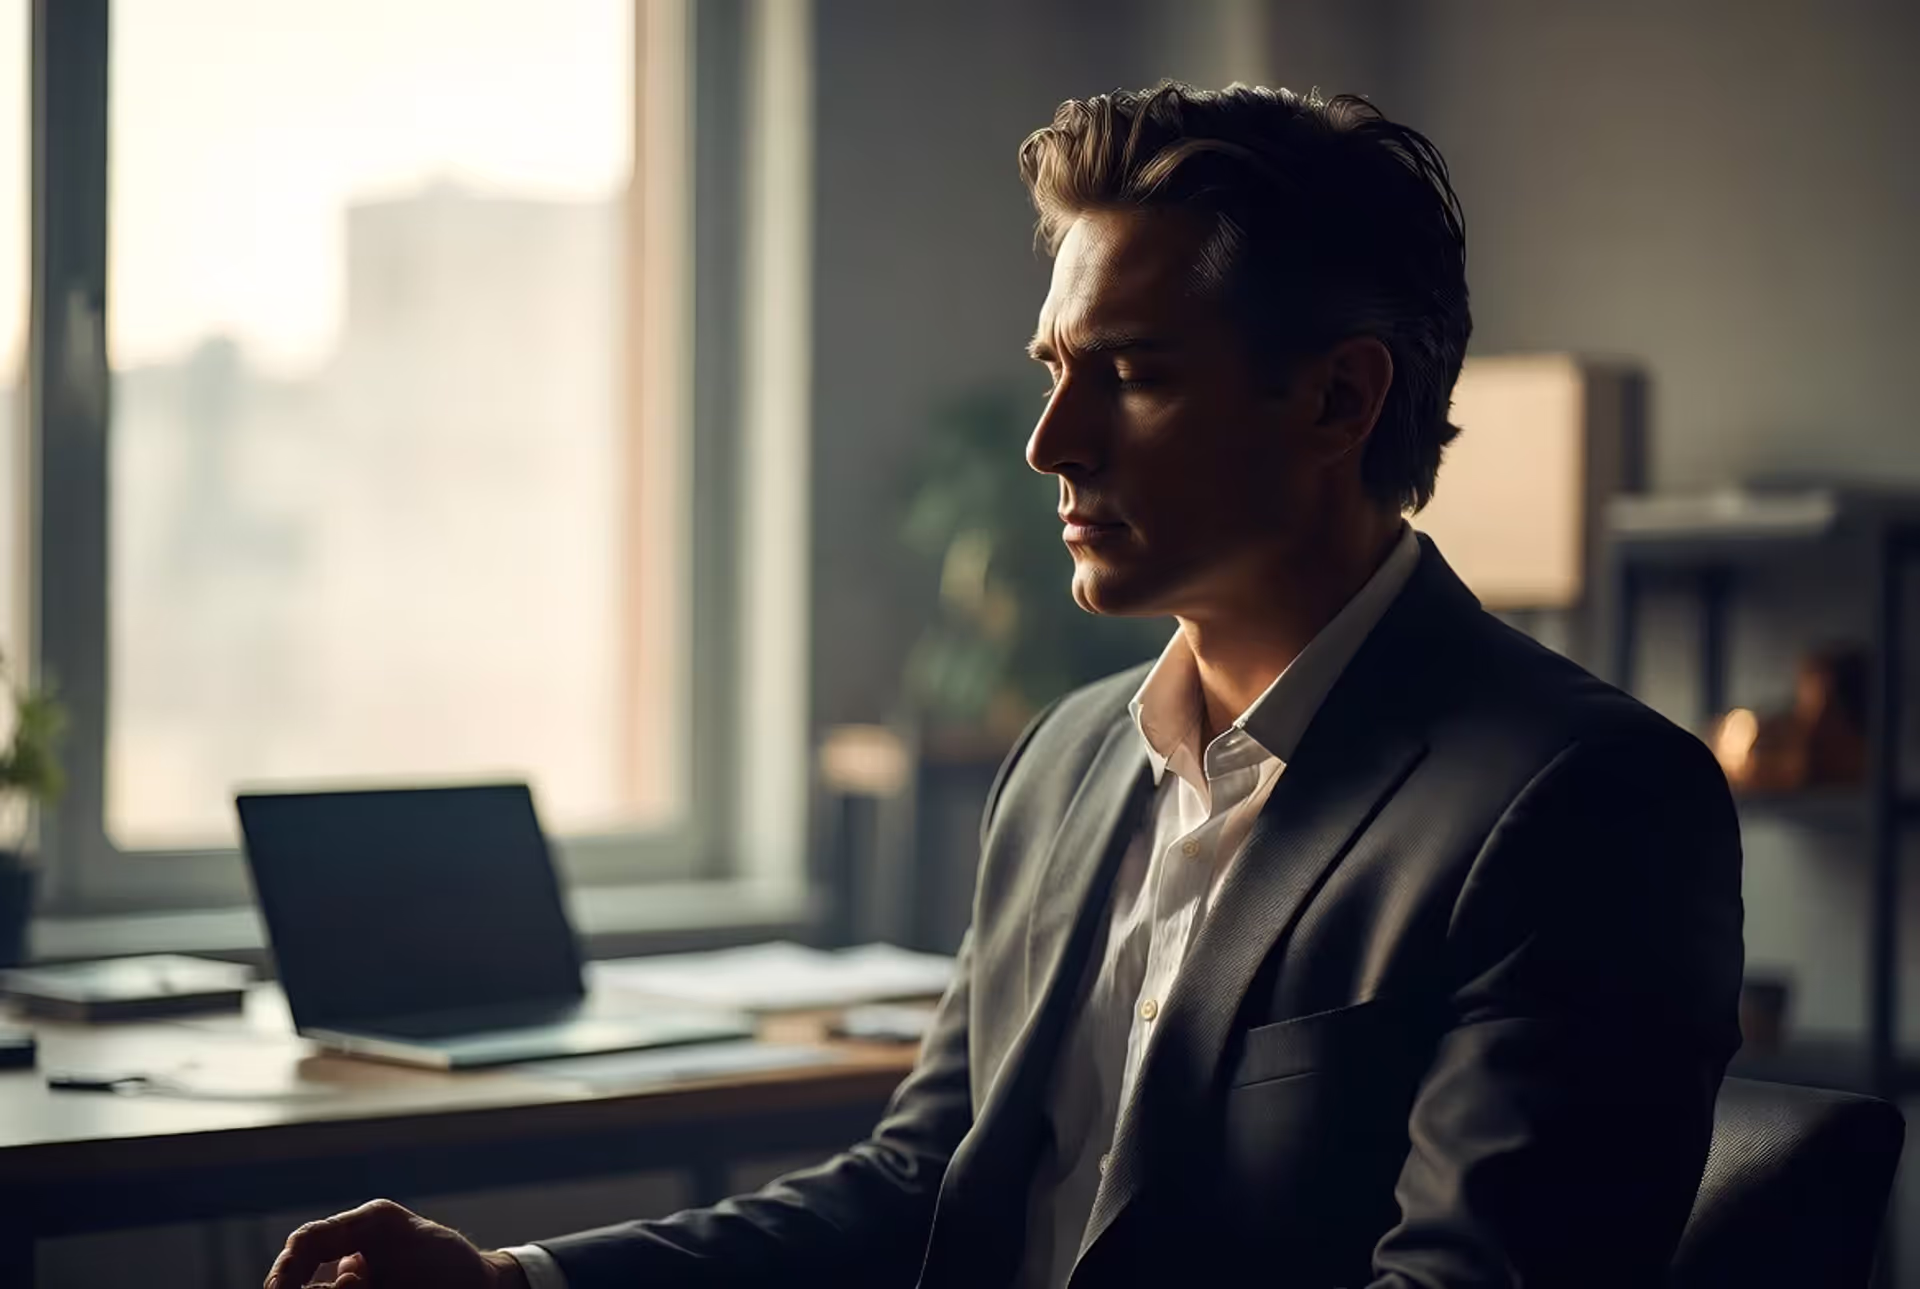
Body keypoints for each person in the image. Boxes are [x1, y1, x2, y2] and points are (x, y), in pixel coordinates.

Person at [267, 82, 1743, 1289]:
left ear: (1340, 400)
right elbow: (923, 1186)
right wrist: (513, 1285)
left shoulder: (1585, 803)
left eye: (1133, 373)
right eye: (1054, 365)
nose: (1051, 442)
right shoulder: (1066, 763)